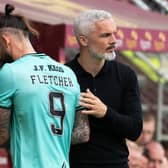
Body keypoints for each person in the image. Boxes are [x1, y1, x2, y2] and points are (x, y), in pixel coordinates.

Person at [0, 4, 89, 168]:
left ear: (5, 40)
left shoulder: (10, 72)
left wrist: (30, 127)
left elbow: (1, 134)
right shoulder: (68, 72)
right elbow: (82, 134)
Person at [66, 9, 142, 168]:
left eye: (114, 33)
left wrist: (105, 113)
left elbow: (135, 130)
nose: (114, 40)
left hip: (116, 164)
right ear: (84, 40)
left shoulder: (126, 75)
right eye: (106, 35)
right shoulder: (65, 75)